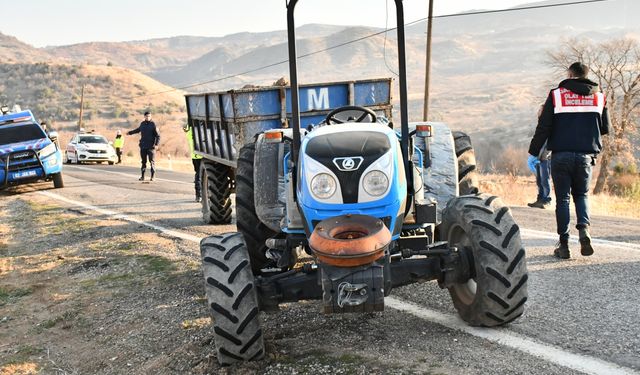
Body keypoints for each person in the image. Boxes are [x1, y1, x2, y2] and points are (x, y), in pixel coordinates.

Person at [528, 62, 610, 259]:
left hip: (561, 155)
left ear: (570, 75)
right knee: (581, 195)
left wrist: (533, 151)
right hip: (585, 156)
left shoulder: (556, 94)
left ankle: (563, 244)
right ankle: (584, 231)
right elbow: (605, 128)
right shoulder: (599, 97)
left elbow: (544, 126)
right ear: (585, 75)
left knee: (563, 198)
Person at [528, 105, 552, 209]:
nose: (539, 112)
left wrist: (545, 155)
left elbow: (548, 141)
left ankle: (546, 199)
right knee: (539, 179)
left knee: (545, 179)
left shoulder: (549, 124)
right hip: (538, 156)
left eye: (541, 110)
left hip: (545, 156)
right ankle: (540, 199)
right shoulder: (541, 124)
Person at [127, 111, 160, 181]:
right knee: (143, 162)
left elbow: (158, 136)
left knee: (152, 162)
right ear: (144, 117)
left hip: (151, 147)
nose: (148, 117)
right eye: (146, 116)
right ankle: (142, 176)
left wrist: (156, 144)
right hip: (143, 146)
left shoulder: (153, 124)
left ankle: (152, 176)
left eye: (149, 116)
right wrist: (130, 133)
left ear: (151, 117)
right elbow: (138, 130)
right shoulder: (142, 124)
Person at [184, 124, 203, 202]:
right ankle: (199, 195)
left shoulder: (189, 127)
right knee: (199, 176)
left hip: (195, 156)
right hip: (200, 156)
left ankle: (198, 196)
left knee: (198, 175)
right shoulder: (199, 128)